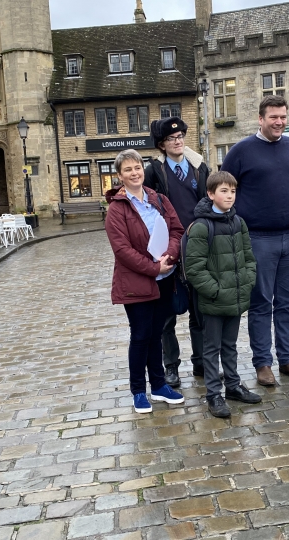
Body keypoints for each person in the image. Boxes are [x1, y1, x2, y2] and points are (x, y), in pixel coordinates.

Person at [221, 95, 289, 386]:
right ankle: (263, 363)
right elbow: (223, 191)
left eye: (283, 117)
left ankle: (288, 358)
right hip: (259, 239)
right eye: (274, 117)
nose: (279, 122)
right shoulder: (241, 151)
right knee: (261, 304)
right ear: (261, 119)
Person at [104, 149, 186, 413]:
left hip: (165, 277)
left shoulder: (158, 199)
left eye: (137, 167)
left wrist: (171, 255)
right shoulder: (117, 209)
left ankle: (159, 385)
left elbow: (176, 229)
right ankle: (139, 391)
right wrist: (153, 267)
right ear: (120, 176)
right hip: (137, 281)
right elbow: (122, 250)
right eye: (127, 169)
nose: (134, 173)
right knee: (140, 335)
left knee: (156, 333)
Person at [184, 171, 260, 418]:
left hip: (235, 298)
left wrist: (247, 282)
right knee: (211, 348)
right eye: (224, 191)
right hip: (214, 301)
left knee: (230, 346)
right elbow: (194, 268)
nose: (229, 196)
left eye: (233, 191)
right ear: (210, 194)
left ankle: (233, 385)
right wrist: (215, 291)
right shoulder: (201, 227)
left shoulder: (239, 222)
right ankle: (214, 394)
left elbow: (249, 258)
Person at [143, 116, 210, 388]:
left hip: (197, 249)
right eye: (172, 138)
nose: (178, 141)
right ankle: (170, 366)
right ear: (162, 144)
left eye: (181, 136)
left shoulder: (199, 168)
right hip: (168, 250)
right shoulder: (154, 172)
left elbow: (209, 202)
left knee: (199, 311)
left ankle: (201, 361)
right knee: (167, 315)